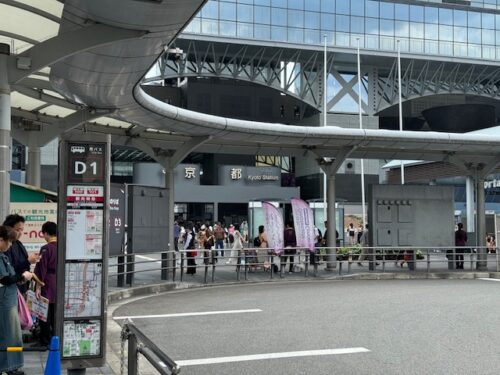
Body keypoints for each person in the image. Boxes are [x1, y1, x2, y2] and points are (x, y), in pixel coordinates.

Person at [0, 225, 33, 375]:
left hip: (9, 299)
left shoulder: (4, 256)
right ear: (1, 240)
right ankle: (9, 367)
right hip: (5, 301)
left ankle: (9, 366)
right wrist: (22, 277)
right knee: (10, 334)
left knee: (8, 333)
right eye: (9, 241)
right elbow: (5, 279)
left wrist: (19, 279)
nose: (11, 244)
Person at [34, 222, 57, 347]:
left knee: (44, 313)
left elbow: (41, 268)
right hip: (59, 283)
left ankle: (44, 339)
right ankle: (55, 338)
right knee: (55, 312)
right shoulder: (63, 247)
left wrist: (38, 286)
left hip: (47, 282)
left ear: (46, 233)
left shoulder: (46, 248)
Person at [3, 214, 39, 293]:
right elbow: (9, 270)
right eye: (18, 230)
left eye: (22, 230)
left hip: (21, 288)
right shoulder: (5, 247)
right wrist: (28, 261)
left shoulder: (19, 243)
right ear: (9, 229)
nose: (20, 233)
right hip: (10, 290)